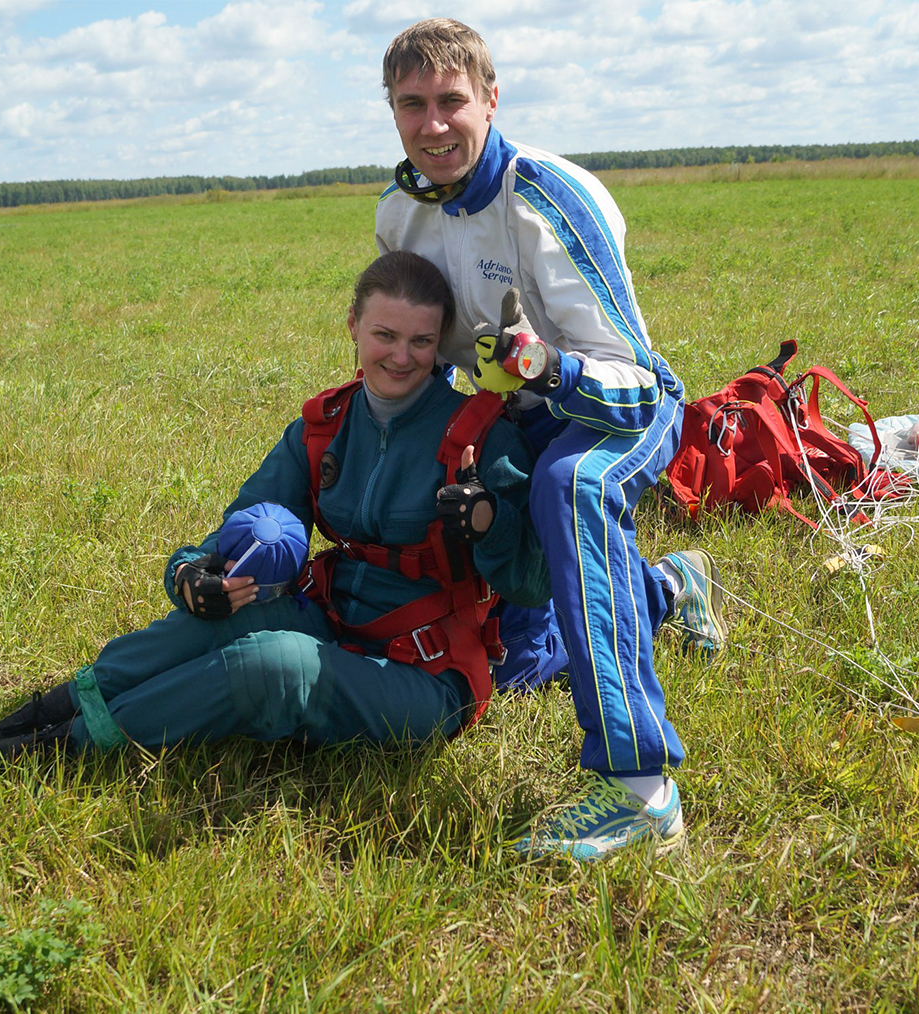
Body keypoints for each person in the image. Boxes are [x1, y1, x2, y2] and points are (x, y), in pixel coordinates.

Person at [0, 251, 549, 758]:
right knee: (224, 619)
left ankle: (68, 747)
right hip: (335, 623)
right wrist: (192, 573)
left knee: (274, 664)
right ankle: (58, 704)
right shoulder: (326, 426)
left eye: (421, 341)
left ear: (439, 340)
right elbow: (248, 525)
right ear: (353, 326)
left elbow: (534, 583)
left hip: (428, 673)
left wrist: (487, 524)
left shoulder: (478, 436)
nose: (401, 357)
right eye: (385, 336)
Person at [374, 19, 727, 860]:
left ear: (490, 100)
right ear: (392, 113)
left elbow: (639, 379)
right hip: (510, 417)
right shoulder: (399, 214)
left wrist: (548, 373)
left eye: (451, 101)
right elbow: (427, 361)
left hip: (614, 410)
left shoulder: (546, 195)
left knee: (569, 487)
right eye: (411, 105)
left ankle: (641, 790)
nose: (433, 124)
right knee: (527, 661)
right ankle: (669, 589)